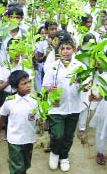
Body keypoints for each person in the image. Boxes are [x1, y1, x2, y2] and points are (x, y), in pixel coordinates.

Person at [42, 39, 86, 172]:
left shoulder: (80, 66)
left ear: (74, 49)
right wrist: (49, 89)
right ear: (59, 51)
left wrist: (85, 85)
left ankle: (64, 157)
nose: (65, 51)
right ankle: (55, 153)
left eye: (68, 48)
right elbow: (44, 86)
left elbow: (85, 85)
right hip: (57, 107)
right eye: (63, 49)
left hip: (74, 107)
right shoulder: (53, 67)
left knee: (68, 136)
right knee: (57, 135)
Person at [0, 70, 38, 174]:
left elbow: (37, 117)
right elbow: (2, 118)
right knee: (17, 167)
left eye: (29, 82)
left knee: (26, 164)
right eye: (24, 83)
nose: (28, 85)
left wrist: (41, 122)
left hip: (29, 138)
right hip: (14, 140)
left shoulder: (34, 101)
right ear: (15, 87)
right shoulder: (10, 101)